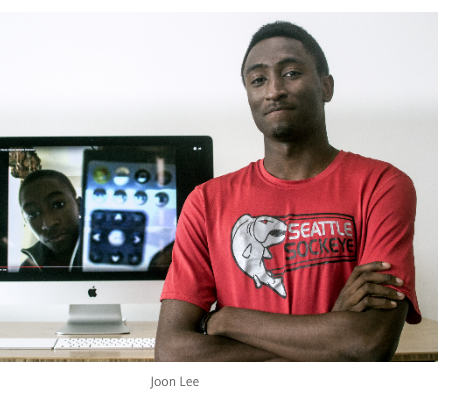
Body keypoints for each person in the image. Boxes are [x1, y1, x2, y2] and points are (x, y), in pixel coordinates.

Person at [155, 21, 421, 362]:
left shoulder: (383, 185)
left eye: (292, 73)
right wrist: (329, 334)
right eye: (258, 79)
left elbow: (368, 343)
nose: (274, 90)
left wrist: (226, 319)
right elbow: (172, 352)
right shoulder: (206, 202)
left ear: (326, 87)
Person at [18, 169, 82, 271]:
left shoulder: (111, 256)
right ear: (25, 221)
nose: (49, 224)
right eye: (32, 214)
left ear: (79, 206)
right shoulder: (28, 269)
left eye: (58, 205)